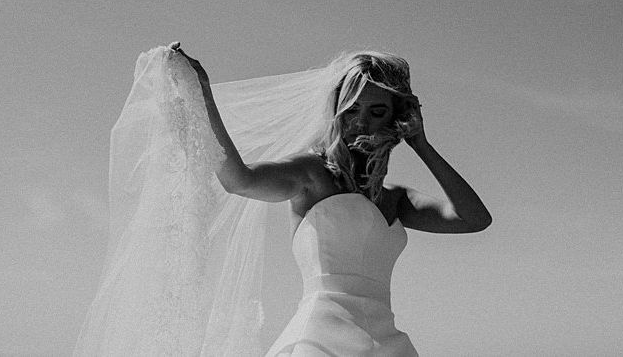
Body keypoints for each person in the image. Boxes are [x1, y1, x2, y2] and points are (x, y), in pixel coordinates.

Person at [169, 41, 492, 356]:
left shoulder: (397, 199)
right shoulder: (311, 174)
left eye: (377, 111)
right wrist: (203, 95)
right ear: (337, 110)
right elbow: (240, 180)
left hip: (388, 344)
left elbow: (475, 219)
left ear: (395, 119)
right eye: (351, 109)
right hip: (321, 340)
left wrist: (421, 144)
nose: (361, 122)